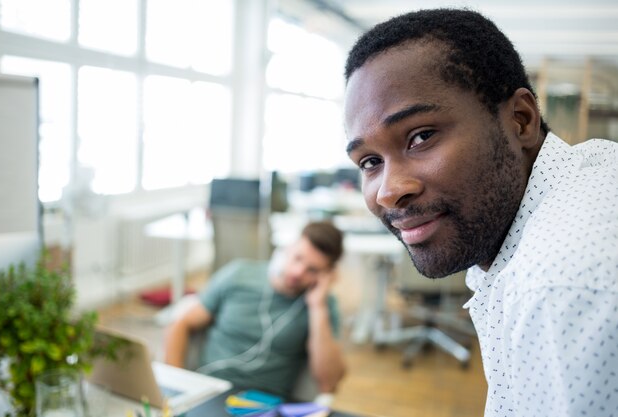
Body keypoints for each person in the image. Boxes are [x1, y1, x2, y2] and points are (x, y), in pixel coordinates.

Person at [343, 8, 617, 417]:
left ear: (521, 120)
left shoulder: (558, 286)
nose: (388, 192)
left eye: (420, 137)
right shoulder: (589, 169)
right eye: (369, 162)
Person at [164, 221, 346, 399]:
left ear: (328, 274)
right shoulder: (239, 274)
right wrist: (176, 387)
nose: (298, 272)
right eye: (298, 258)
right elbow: (181, 325)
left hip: (264, 404)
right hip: (209, 390)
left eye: (312, 270)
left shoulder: (323, 306)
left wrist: (317, 307)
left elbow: (328, 384)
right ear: (289, 248)